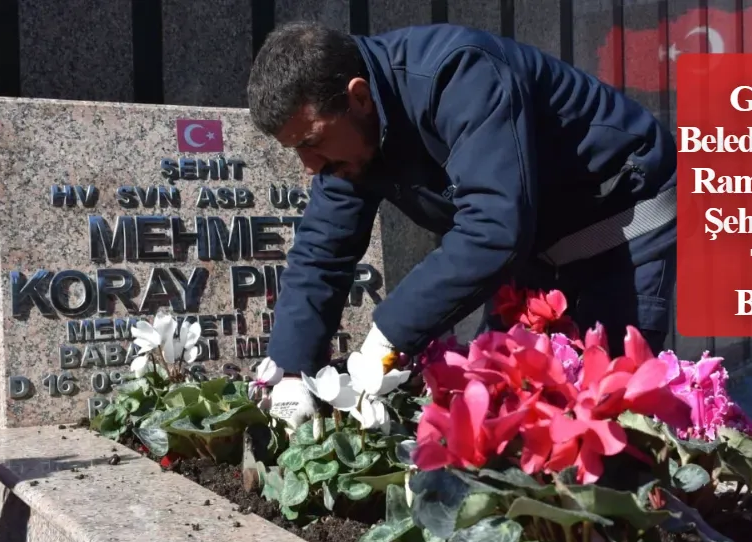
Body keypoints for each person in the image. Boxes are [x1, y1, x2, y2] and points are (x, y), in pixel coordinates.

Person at [246, 22, 678, 428]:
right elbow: (322, 253)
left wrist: (388, 334)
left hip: (617, 227)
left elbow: (494, 227)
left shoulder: (459, 73)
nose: (308, 166)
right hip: (537, 249)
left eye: (312, 142)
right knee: (499, 413)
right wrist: (290, 372)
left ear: (359, 96)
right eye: (295, 149)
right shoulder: (349, 144)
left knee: (604, 418)